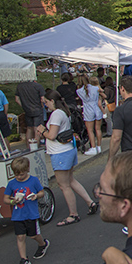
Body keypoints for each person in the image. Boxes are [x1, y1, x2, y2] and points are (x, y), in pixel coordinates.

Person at [37, 90, 97, 227]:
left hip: (60, 152)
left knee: (64, 185)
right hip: (68, 150)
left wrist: (42, 131)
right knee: (70, 180)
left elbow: (52, 135)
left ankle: (73, 214)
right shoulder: (64, 112)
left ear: (52, 101)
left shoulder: (56, 114)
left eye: (46, 102)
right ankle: (90, 202)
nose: (46, 105)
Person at [4, 156, 50, 264]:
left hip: (31, 214)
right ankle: (24, 259)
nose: (19, 177)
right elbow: (5, 198)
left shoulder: (33, 180)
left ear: (27, 170)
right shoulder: (12, 184)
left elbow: (41, 192)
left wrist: (36, 196)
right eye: (16, 174)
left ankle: (42, 244)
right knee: (20, 236)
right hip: (18, 215)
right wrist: (12, 201)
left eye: (22, 174)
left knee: (33, 235)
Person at [75, 75, 105, 156]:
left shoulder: (79, 91)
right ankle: (99, 146)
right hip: (96, 108)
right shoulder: (95, 88)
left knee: (90, 130)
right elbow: (102, 91)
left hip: (88, 109)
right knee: (98, 129)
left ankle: (93, 147)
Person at [15, 78, 46, 144]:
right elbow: (42, 99)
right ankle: (36, 146)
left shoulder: (20, 86)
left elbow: (17, 99)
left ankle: (28, 146)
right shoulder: (38, 86)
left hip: (27, 110)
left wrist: (23, 106)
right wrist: (42, 106)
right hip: (37, 109)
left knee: (29, 128)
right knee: (37, 129)